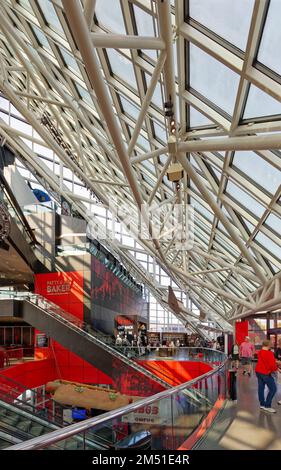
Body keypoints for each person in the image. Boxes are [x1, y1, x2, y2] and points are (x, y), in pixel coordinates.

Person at [256, 339, 279, 413]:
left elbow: (265, 361)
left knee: (261, 388)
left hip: (258, 371)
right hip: (265, 373)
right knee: (273, 389)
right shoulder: (269, 353)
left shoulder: (260, 352)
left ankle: (262, 404)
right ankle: (267, 406)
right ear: (269, 345)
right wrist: (277, 369)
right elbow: (272, 365)